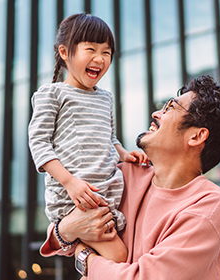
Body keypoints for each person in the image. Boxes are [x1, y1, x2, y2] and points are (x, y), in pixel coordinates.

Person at [40, 75, 220, 279]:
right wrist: (67, 230)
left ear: (196, 136)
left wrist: (85, 258)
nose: (156, 113)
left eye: (170, 108)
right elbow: (63, 226)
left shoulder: (210, 205)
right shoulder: (123, 174)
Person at [28, 13, 148, 263]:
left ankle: (80, 250)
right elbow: (39, 143)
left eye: (106, 52)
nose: (99, 58)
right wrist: (70, 182)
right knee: (120, 256)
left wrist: (124, 153)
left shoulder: (106, 98)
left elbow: (109, 137)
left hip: (103, 195)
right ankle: (77, 245)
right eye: (91, 49)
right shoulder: (52, 94)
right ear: (64, 52)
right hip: (74, 198)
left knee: (122, 253)